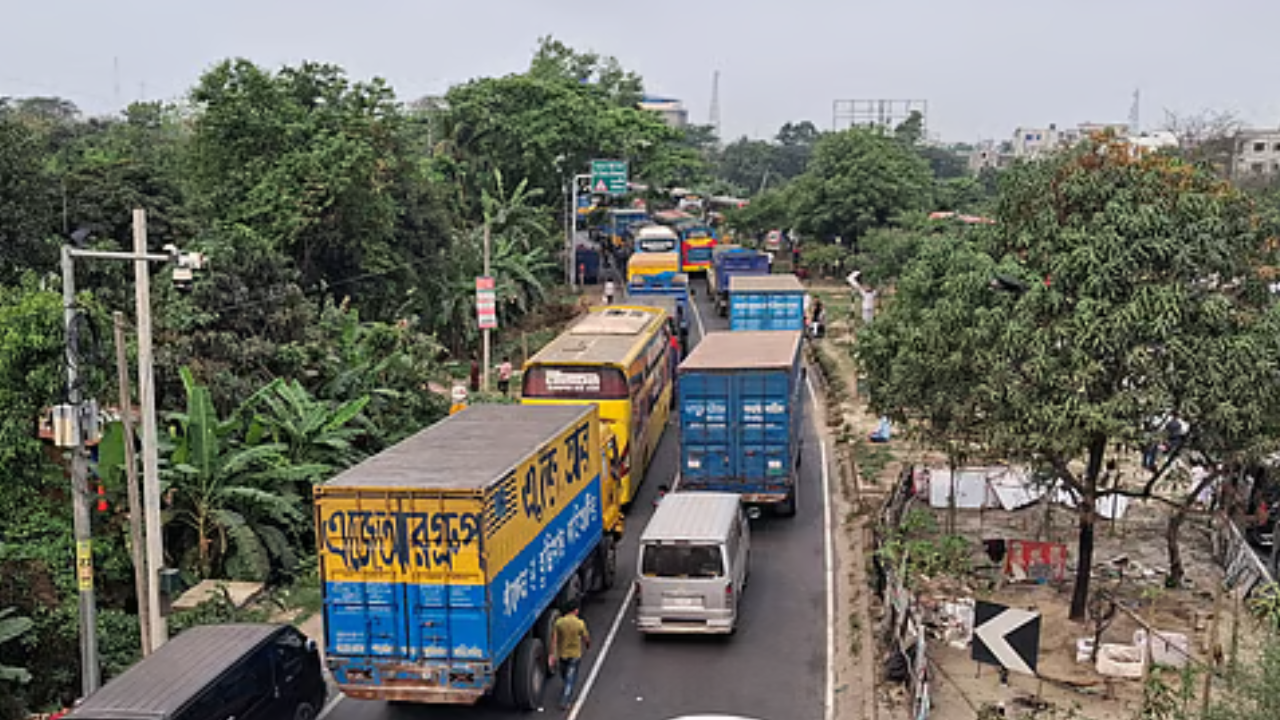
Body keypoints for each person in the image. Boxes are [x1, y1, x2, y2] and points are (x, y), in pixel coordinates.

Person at [549, 599, 591, 711]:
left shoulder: (559, 623)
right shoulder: (579, 624)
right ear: (575, 611)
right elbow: (586, 637)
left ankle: (565, 690)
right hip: (575, 655)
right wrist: (587, 644)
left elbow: (554, 640)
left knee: (564, 674)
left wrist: (552, 655)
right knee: (570, 679)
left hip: (562, 655)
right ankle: (565, 701)